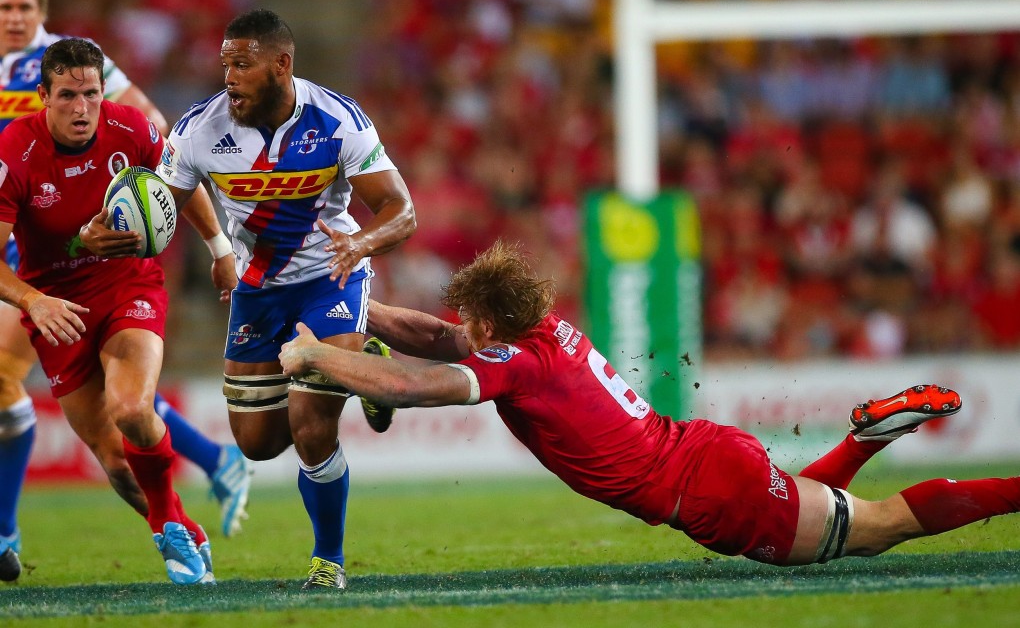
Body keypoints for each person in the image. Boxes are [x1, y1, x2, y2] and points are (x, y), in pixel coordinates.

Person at [279, 239, 1020, 568]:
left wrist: (316, 354)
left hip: (710, 493)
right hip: (707, 454)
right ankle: (866, 437)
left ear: (493, 325)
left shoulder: (520, 365)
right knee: (820, 506)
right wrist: (361, 311)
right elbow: (440, 340)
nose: (463, 331)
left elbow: (412, 384)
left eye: (472, 321)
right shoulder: (546, 333)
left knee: (876, 530)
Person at [0, 0, 251, 584]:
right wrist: (33, 301)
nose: (83, 108)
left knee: (134, 408)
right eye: (69, 96)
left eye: (91, 93)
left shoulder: (132, 128)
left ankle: (172, 534)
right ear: (45, 98)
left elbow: (180, 182)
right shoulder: (15, 152)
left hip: (127, 286)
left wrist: (220, 246)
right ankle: (182, 526)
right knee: (115, 462)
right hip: (55, 303)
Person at [158, 9, 416, 590]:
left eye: (242, 65)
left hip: (331, 276)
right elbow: (165, 208)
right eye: (225, 64)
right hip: (257, 290)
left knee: (310, 425)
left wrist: (362, 241)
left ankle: (329, 560)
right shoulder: (198, 130)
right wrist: (125, 235)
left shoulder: (339, 120)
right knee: (257, 443)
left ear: (282, 64)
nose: (229, 77)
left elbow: (402, 210)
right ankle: (364, 362)